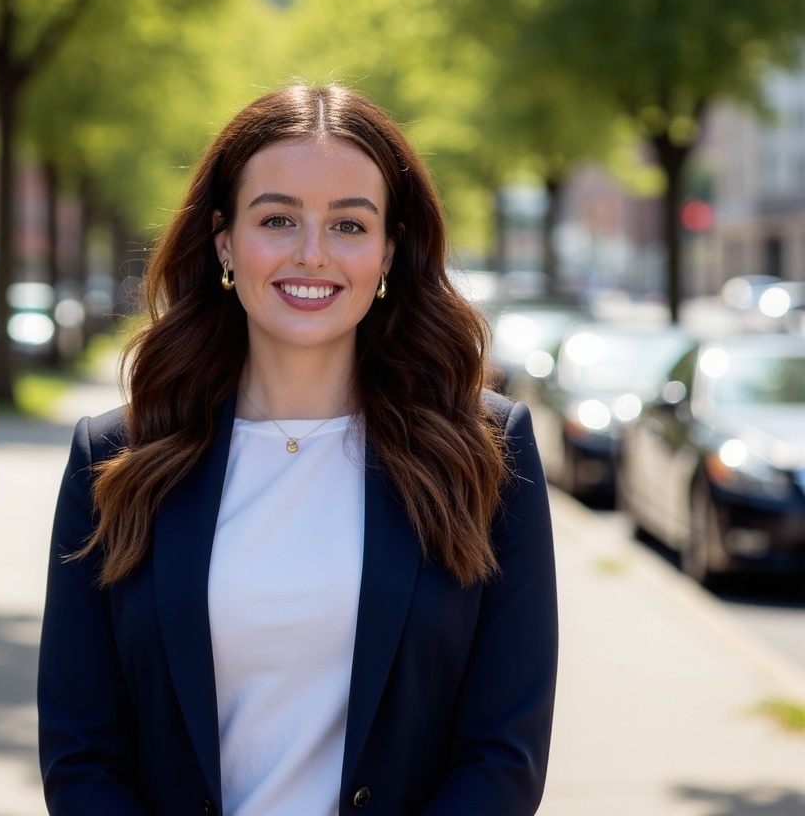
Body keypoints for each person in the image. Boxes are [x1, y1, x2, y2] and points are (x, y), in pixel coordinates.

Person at [37, 83, 558, 816]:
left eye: (349, 225)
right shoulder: (115, 459)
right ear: (223, 239)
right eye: (277, 219)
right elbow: (81, 752)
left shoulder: (486, 452)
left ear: (389, 249)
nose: (312, 255)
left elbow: (505, 754)